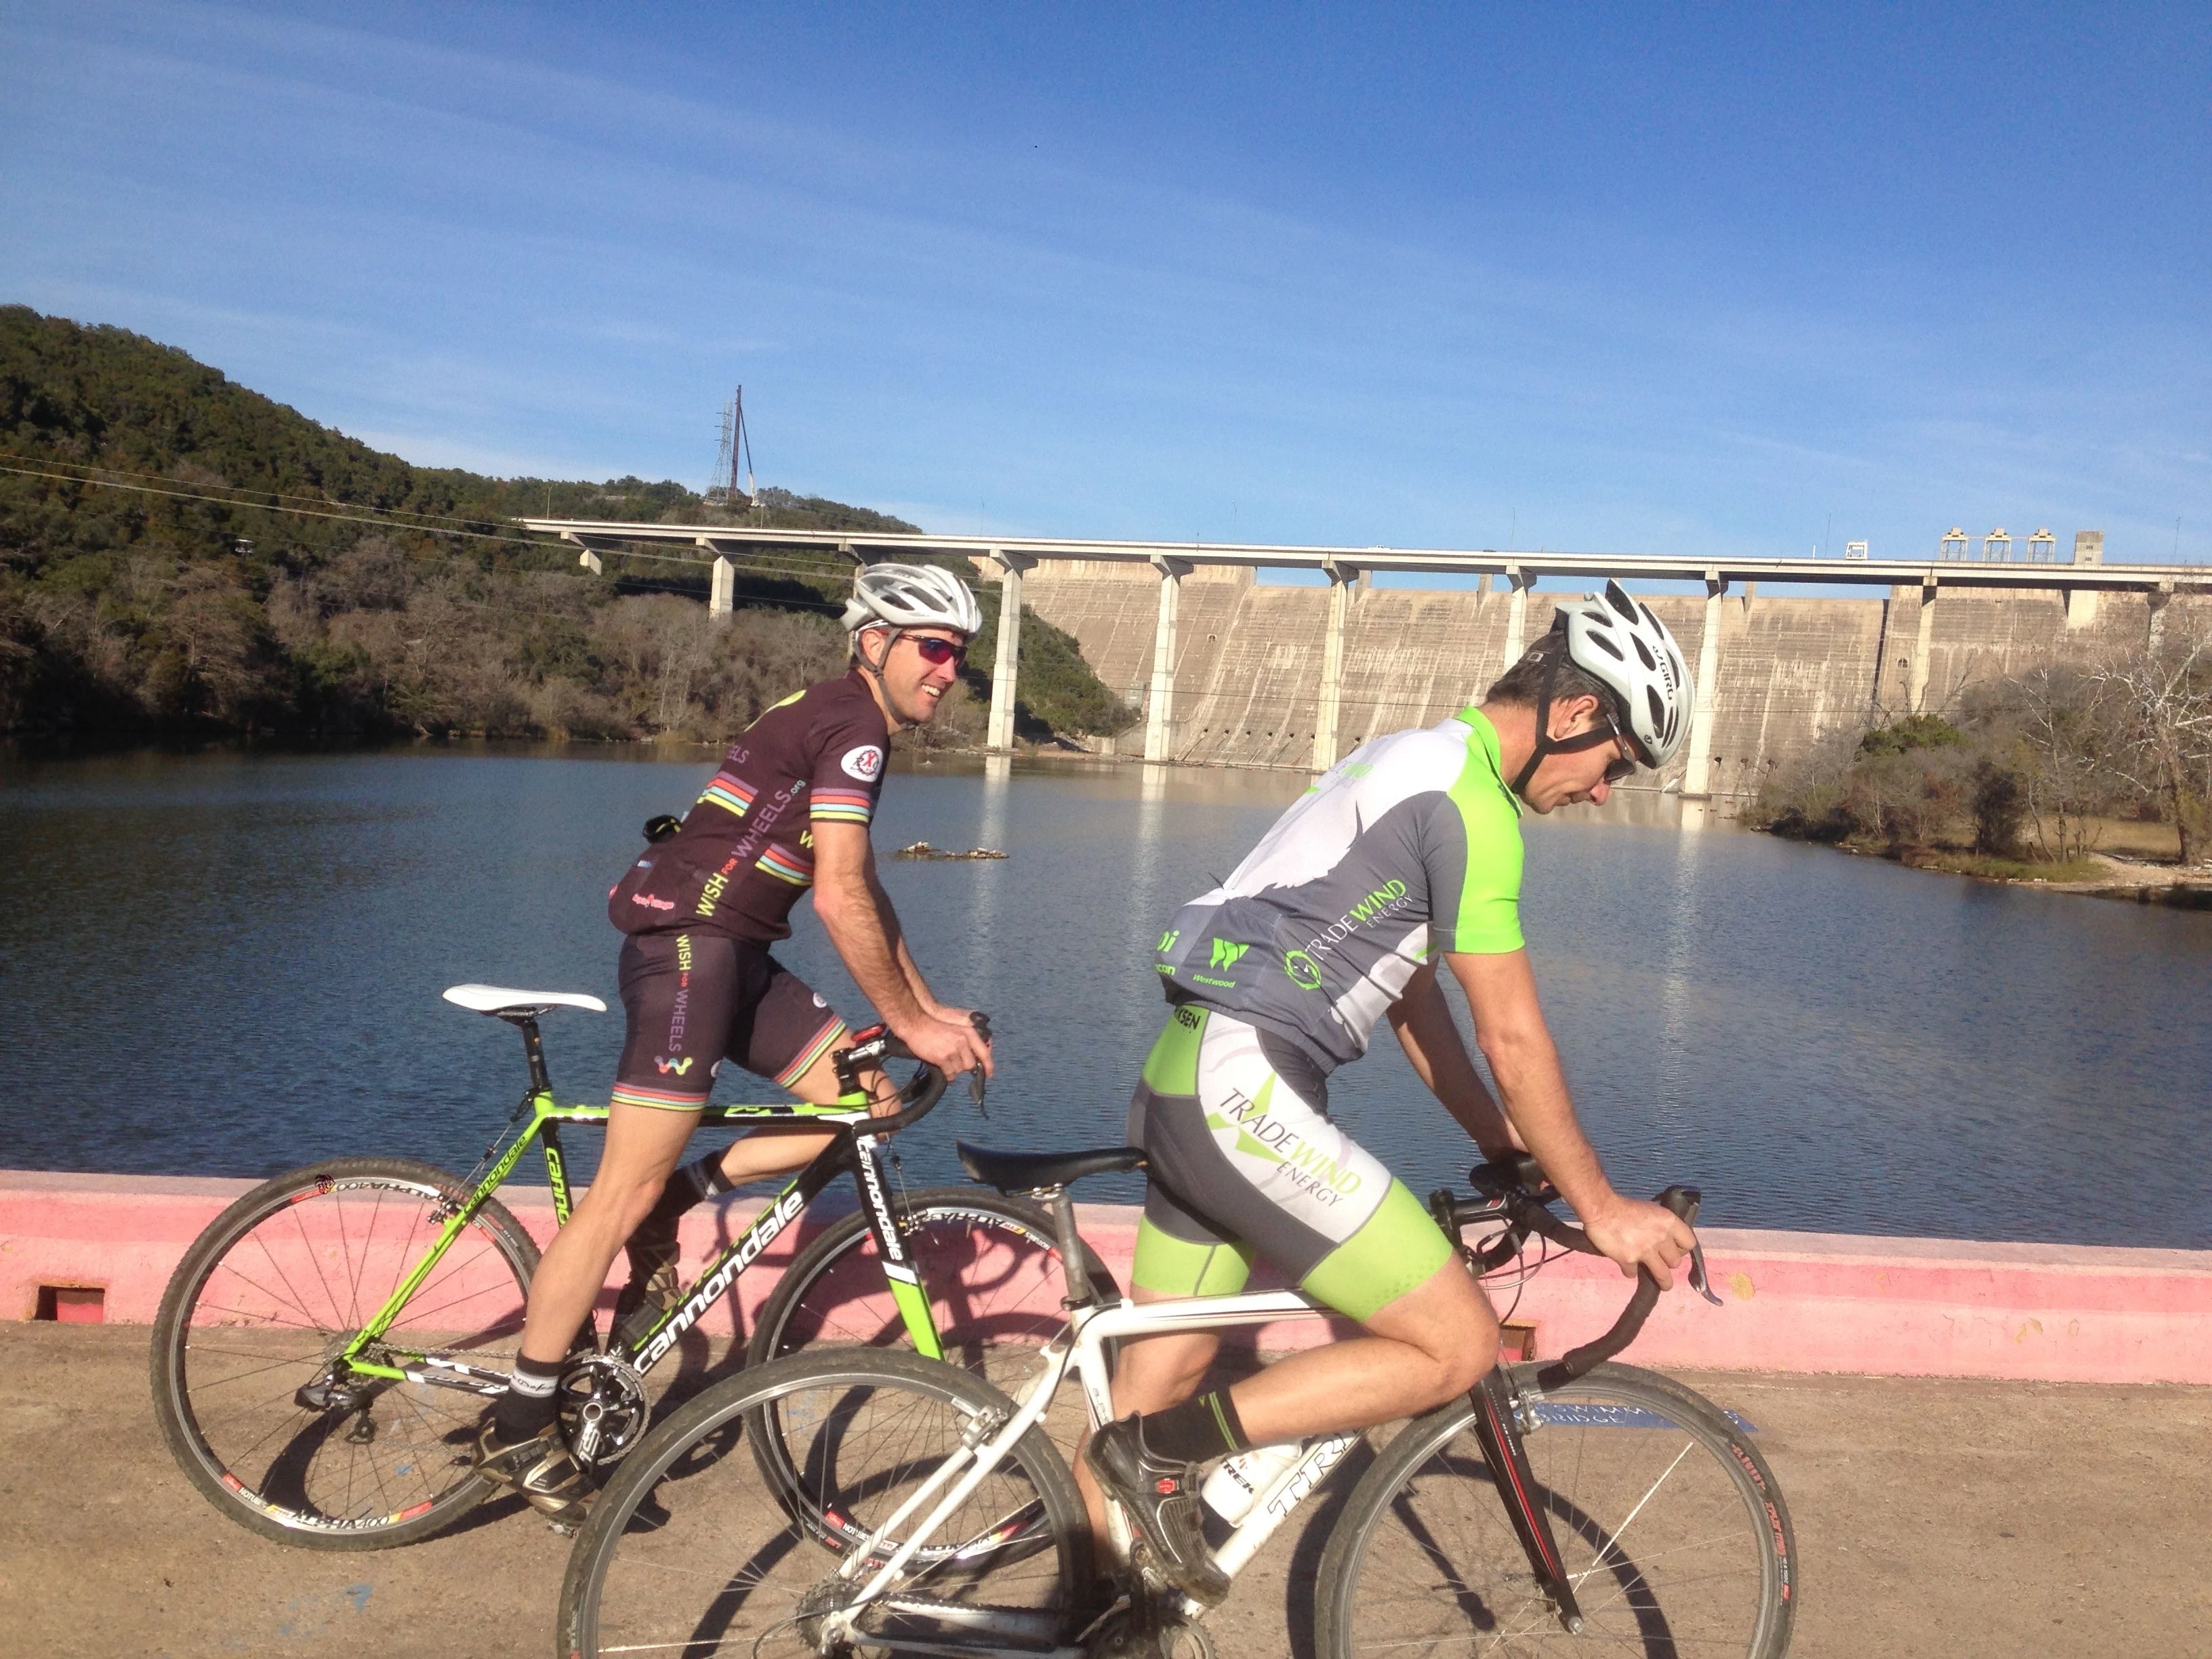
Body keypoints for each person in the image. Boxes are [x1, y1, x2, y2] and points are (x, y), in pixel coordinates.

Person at [1082, 579, 1702, 1602]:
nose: (1604, 792)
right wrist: (1600, 1205)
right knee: (1456, 1344)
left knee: (1152, 1391)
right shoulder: (1474, 808)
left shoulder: (1408, 758)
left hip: (1186, 1078)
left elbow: (1415, 1005)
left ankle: (1089, 1617)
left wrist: (1505, 1148)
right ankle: (1158, 1461)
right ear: (1577, 712)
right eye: (1618, 763)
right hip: (1245, 1088)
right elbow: (1511, 1034)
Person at [473, 562, 996, 1517]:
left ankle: (680, 1198)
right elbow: (837, 897)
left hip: (735, 952)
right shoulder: (855, 727)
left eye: (959, 655)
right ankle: (519, 1420)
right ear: (874, 642)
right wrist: (912, 1022)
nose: (949, 671)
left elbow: (863, 887)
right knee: (619, 1193)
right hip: (691, 951)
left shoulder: (840, 713)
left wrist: (930, 1009)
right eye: (933, 648)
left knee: (867, 1102)